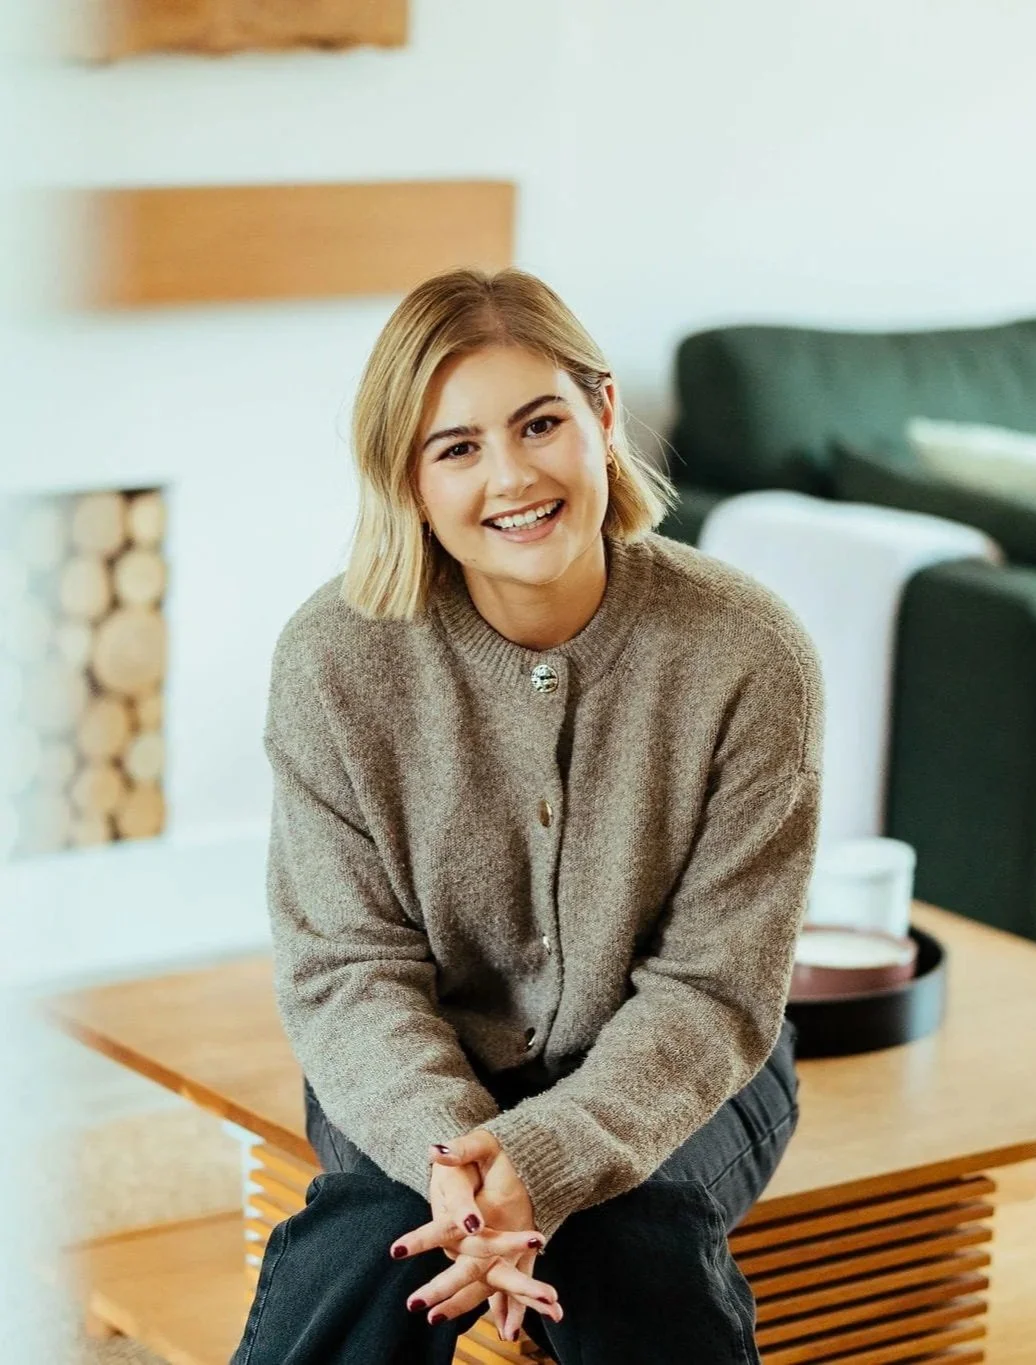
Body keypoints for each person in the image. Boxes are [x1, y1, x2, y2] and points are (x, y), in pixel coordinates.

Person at [229, 266, 824, 1365]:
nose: (511, 476)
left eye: (539, 422)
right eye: (456, 447)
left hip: (686, 1070)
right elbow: (347, 971)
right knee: (378, 1235)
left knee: (629, 1234)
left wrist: (544, 1165)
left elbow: (717, 988)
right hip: (409, 1068)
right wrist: (460, 1172)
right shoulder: (333, 662)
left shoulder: (747, 654)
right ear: (405, 479)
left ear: (600, 416)